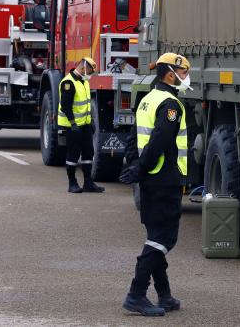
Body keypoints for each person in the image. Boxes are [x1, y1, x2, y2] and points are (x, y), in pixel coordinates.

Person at [119, 53, 190, 317]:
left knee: (155, 236)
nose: (185, 77)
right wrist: (140, 168)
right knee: (163, 238)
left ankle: (164, 295)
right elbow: (159, 141)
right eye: (183, 73)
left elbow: (133, 136)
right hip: (164, 178)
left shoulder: (148, 99)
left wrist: (133, 166)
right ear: (170, 74)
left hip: (150, 179)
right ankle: (136, 294)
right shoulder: (171, 104)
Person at [58, 57, 104, 194]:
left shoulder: (84, 82)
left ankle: (88, 183)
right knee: (73, 154)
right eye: (89, 71)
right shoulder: (68, 83)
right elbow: (66, 106)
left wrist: (90, 123)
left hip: (84, 125)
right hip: (72, 126)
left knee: (89, 152)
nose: (89, 75)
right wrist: (73, 124)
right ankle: (72, 183)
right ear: (83, 68)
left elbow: (86, 105)